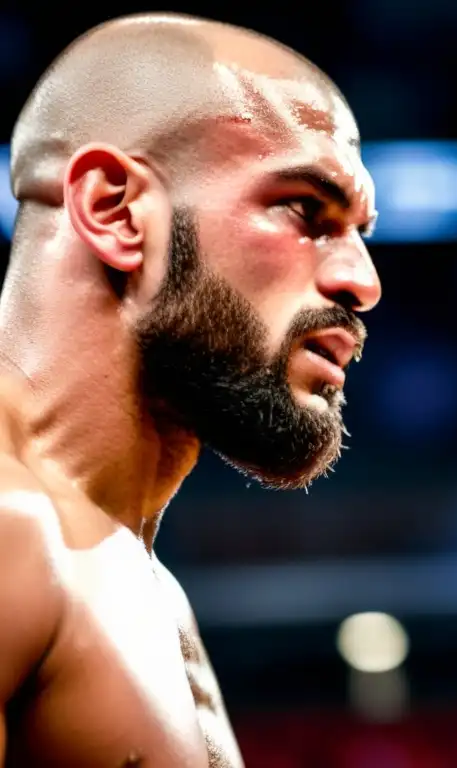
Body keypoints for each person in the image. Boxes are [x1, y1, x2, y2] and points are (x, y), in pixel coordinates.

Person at [0, 11, 380, 766]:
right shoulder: (10, 528)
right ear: (113, 210)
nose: (361, 281)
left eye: (361, 230)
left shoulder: (134, 578)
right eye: (306, 210)